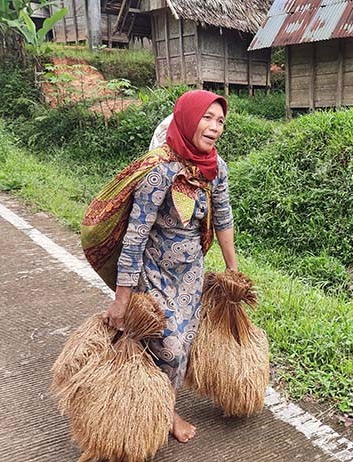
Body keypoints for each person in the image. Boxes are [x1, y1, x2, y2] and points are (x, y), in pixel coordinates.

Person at [101, 90, 237, 443]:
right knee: (170, 348)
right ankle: (165, 410)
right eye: (207, 117)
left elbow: (223, 218)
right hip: (154, 272)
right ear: (189, 118)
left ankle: (162, 404)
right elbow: (135, 236)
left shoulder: (215, 168)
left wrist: (232, 270)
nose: (214, 127)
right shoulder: (159, 170)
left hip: (191, 274)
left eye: (220, 121)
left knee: (184, 347)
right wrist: (122, 298)